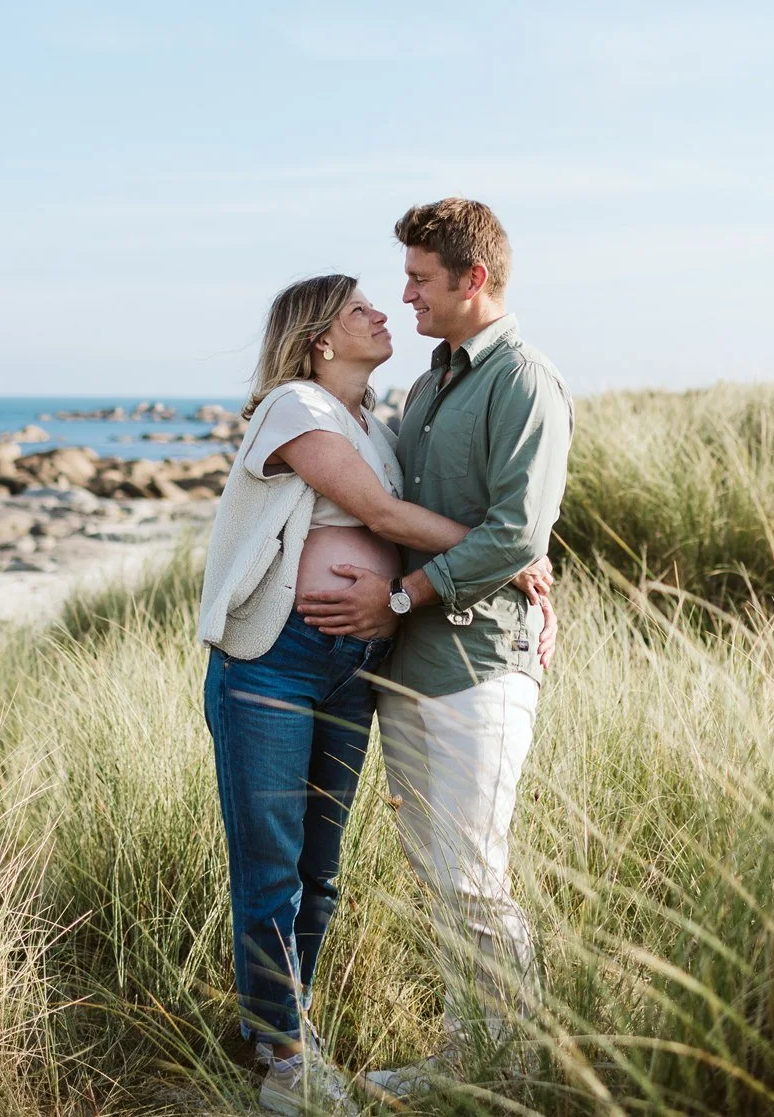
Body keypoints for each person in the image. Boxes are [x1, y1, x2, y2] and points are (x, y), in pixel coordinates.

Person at [196, 272, 551, 1115]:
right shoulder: (292, 406)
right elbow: (382, 517)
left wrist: (507, 554)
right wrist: (511, 552)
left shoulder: (377, 423)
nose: (382, 312)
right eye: (361, 308)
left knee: (322, 873)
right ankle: (288, 1063)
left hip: (353, 666)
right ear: (320, 337)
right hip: (274, 658)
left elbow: (399, 511)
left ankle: (275, 1031)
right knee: (273, 864)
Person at [299, 199, 574, 1100]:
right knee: (439, 873)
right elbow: (414, 510)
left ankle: (514, 1070)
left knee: (474, 871)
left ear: (474, 279)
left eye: (420, 279)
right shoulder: (426, 385)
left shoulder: (524, 382)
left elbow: (515, 529)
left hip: (478, 664)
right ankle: (469, 1055)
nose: (405, 295)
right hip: (404, 667)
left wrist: (407, 592)